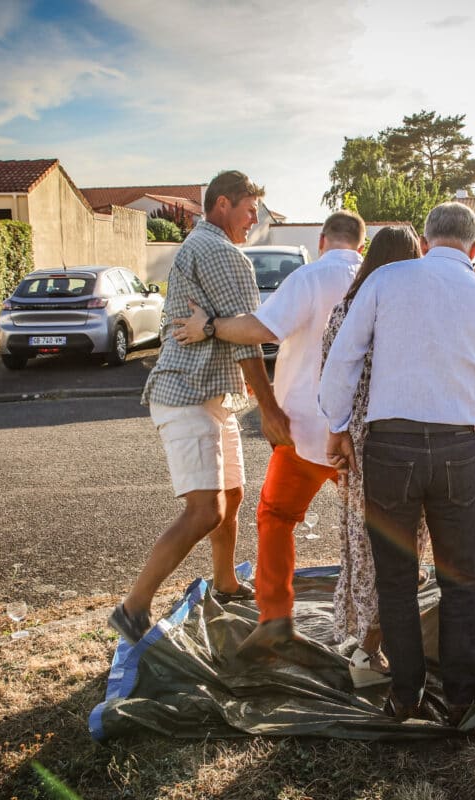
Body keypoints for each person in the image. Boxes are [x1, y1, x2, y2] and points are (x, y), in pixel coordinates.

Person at [319, 202, 475, 725]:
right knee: (459, 576)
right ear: (473, 249)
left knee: (396, 579)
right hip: (454, 448)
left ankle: (405, 695)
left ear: (425, 242)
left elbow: (344, 359)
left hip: (390, 446)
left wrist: (337, 427)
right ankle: (463, 694)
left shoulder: (388, 280)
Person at [170, 211, 368, 661]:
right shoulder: (373, 278)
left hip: (300, 429)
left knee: (276, 518)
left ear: (322, 240)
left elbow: (259, 330)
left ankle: (276, 618)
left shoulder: (309, 278)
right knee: (372, 526)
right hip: (357, 434)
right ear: (359, 243)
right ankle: (376, 622)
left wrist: (209, 326)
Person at [108, 170, 292, 645]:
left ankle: (226, 583)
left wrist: (212, 330)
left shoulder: (200, 245)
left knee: (231, 496)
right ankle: (132, 607)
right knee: (205, 510)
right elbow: (250, 338)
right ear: (223, 204)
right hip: (187, 394)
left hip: (210, 395)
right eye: (250, 210)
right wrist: (269, 409)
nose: (255, 219)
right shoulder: (222, 253)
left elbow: (226, 331)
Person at [320, 226, 430, 686]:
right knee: (394, 544)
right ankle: (371, 652)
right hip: (398, 437)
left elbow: (329, 371)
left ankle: (368, 643)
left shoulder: (347, 306)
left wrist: (338, 430)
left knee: (361, 545)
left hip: (357, 439)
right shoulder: (407, 310)